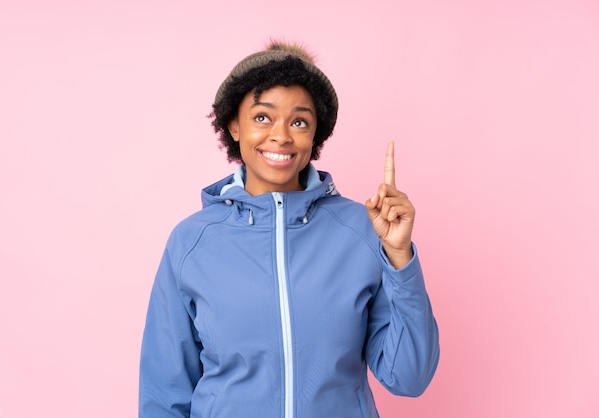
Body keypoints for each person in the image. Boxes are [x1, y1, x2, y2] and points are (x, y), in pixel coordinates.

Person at [139, 41, 439, 418]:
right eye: (262, 117)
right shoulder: (191, 242)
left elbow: (409, 377)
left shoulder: (361, 231)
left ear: (315, 135)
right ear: (234, 125)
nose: (281, 136)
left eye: (299, 121)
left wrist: (400, 260)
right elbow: (164, 393)